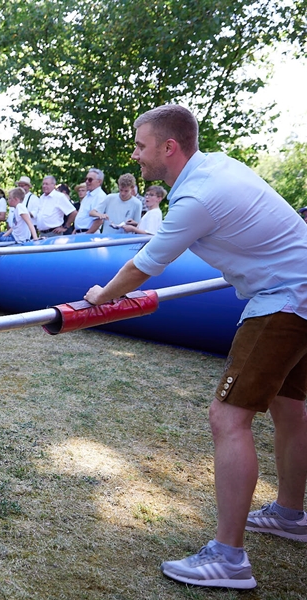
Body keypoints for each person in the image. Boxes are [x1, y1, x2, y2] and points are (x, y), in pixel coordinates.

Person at [84, 104, 307, 590]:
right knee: (291, 407)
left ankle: (228, 559)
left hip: (286, 299)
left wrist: (101, 296)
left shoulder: (197, 197)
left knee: (228, 418)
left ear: (170, 147)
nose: (137, 157)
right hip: (299, 288)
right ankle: (290, 514)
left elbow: (146, 265)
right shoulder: (215, 167)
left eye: (142, 147)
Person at [73, 169, 107, 233]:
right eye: (86, 179)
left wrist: (87, 234)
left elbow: (99, 220)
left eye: (90, 179)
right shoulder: (88, 196)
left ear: (99, 181)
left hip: (89, 235)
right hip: (80, 233)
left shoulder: (100, 196)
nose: (87, 181)